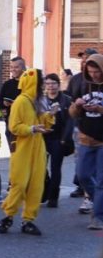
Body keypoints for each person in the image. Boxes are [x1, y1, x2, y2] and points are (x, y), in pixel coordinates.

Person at [0, 70, 53, 236]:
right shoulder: (20, 102)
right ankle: (8, 215)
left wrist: (50, 115)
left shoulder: (39, 101)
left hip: (38, 147)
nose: (43, 84)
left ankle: (28, 220)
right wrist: (31, 129)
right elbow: (13, 126)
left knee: (36, 184)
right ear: (33, 83)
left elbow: (46, 126)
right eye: (41, 81)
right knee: (19, 183)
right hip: (22, 148)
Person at [69, 53, 103, 231]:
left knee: (101, 181)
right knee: (82, 175)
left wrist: (99, 108)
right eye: (90, 71)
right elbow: (72, 113)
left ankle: (98, 217)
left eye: (97, 71)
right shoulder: (82, 84)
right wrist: (77, 105)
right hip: (85, 137)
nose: (94, 75)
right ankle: (98, 201)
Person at [40, 73, 73, 208]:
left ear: (58, 85)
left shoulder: (66, 100)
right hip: (43, 138)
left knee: (55, 168)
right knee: (41, 168)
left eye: (53, 84)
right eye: (47, 84)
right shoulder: (41, 100)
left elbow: (70, 121)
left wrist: (65, 138)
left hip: (58, 139)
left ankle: (53, 197)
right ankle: (43, 192)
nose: (50, 87)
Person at [0, 56, 26, 151]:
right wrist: (4, 105)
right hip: (11, 123)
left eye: (16, 67)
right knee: (14, 152)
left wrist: (17, 103)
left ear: (23, 68)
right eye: (11, 67)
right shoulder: (7, 84)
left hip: (26, 123)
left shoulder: (29, 83)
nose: (13, 70)